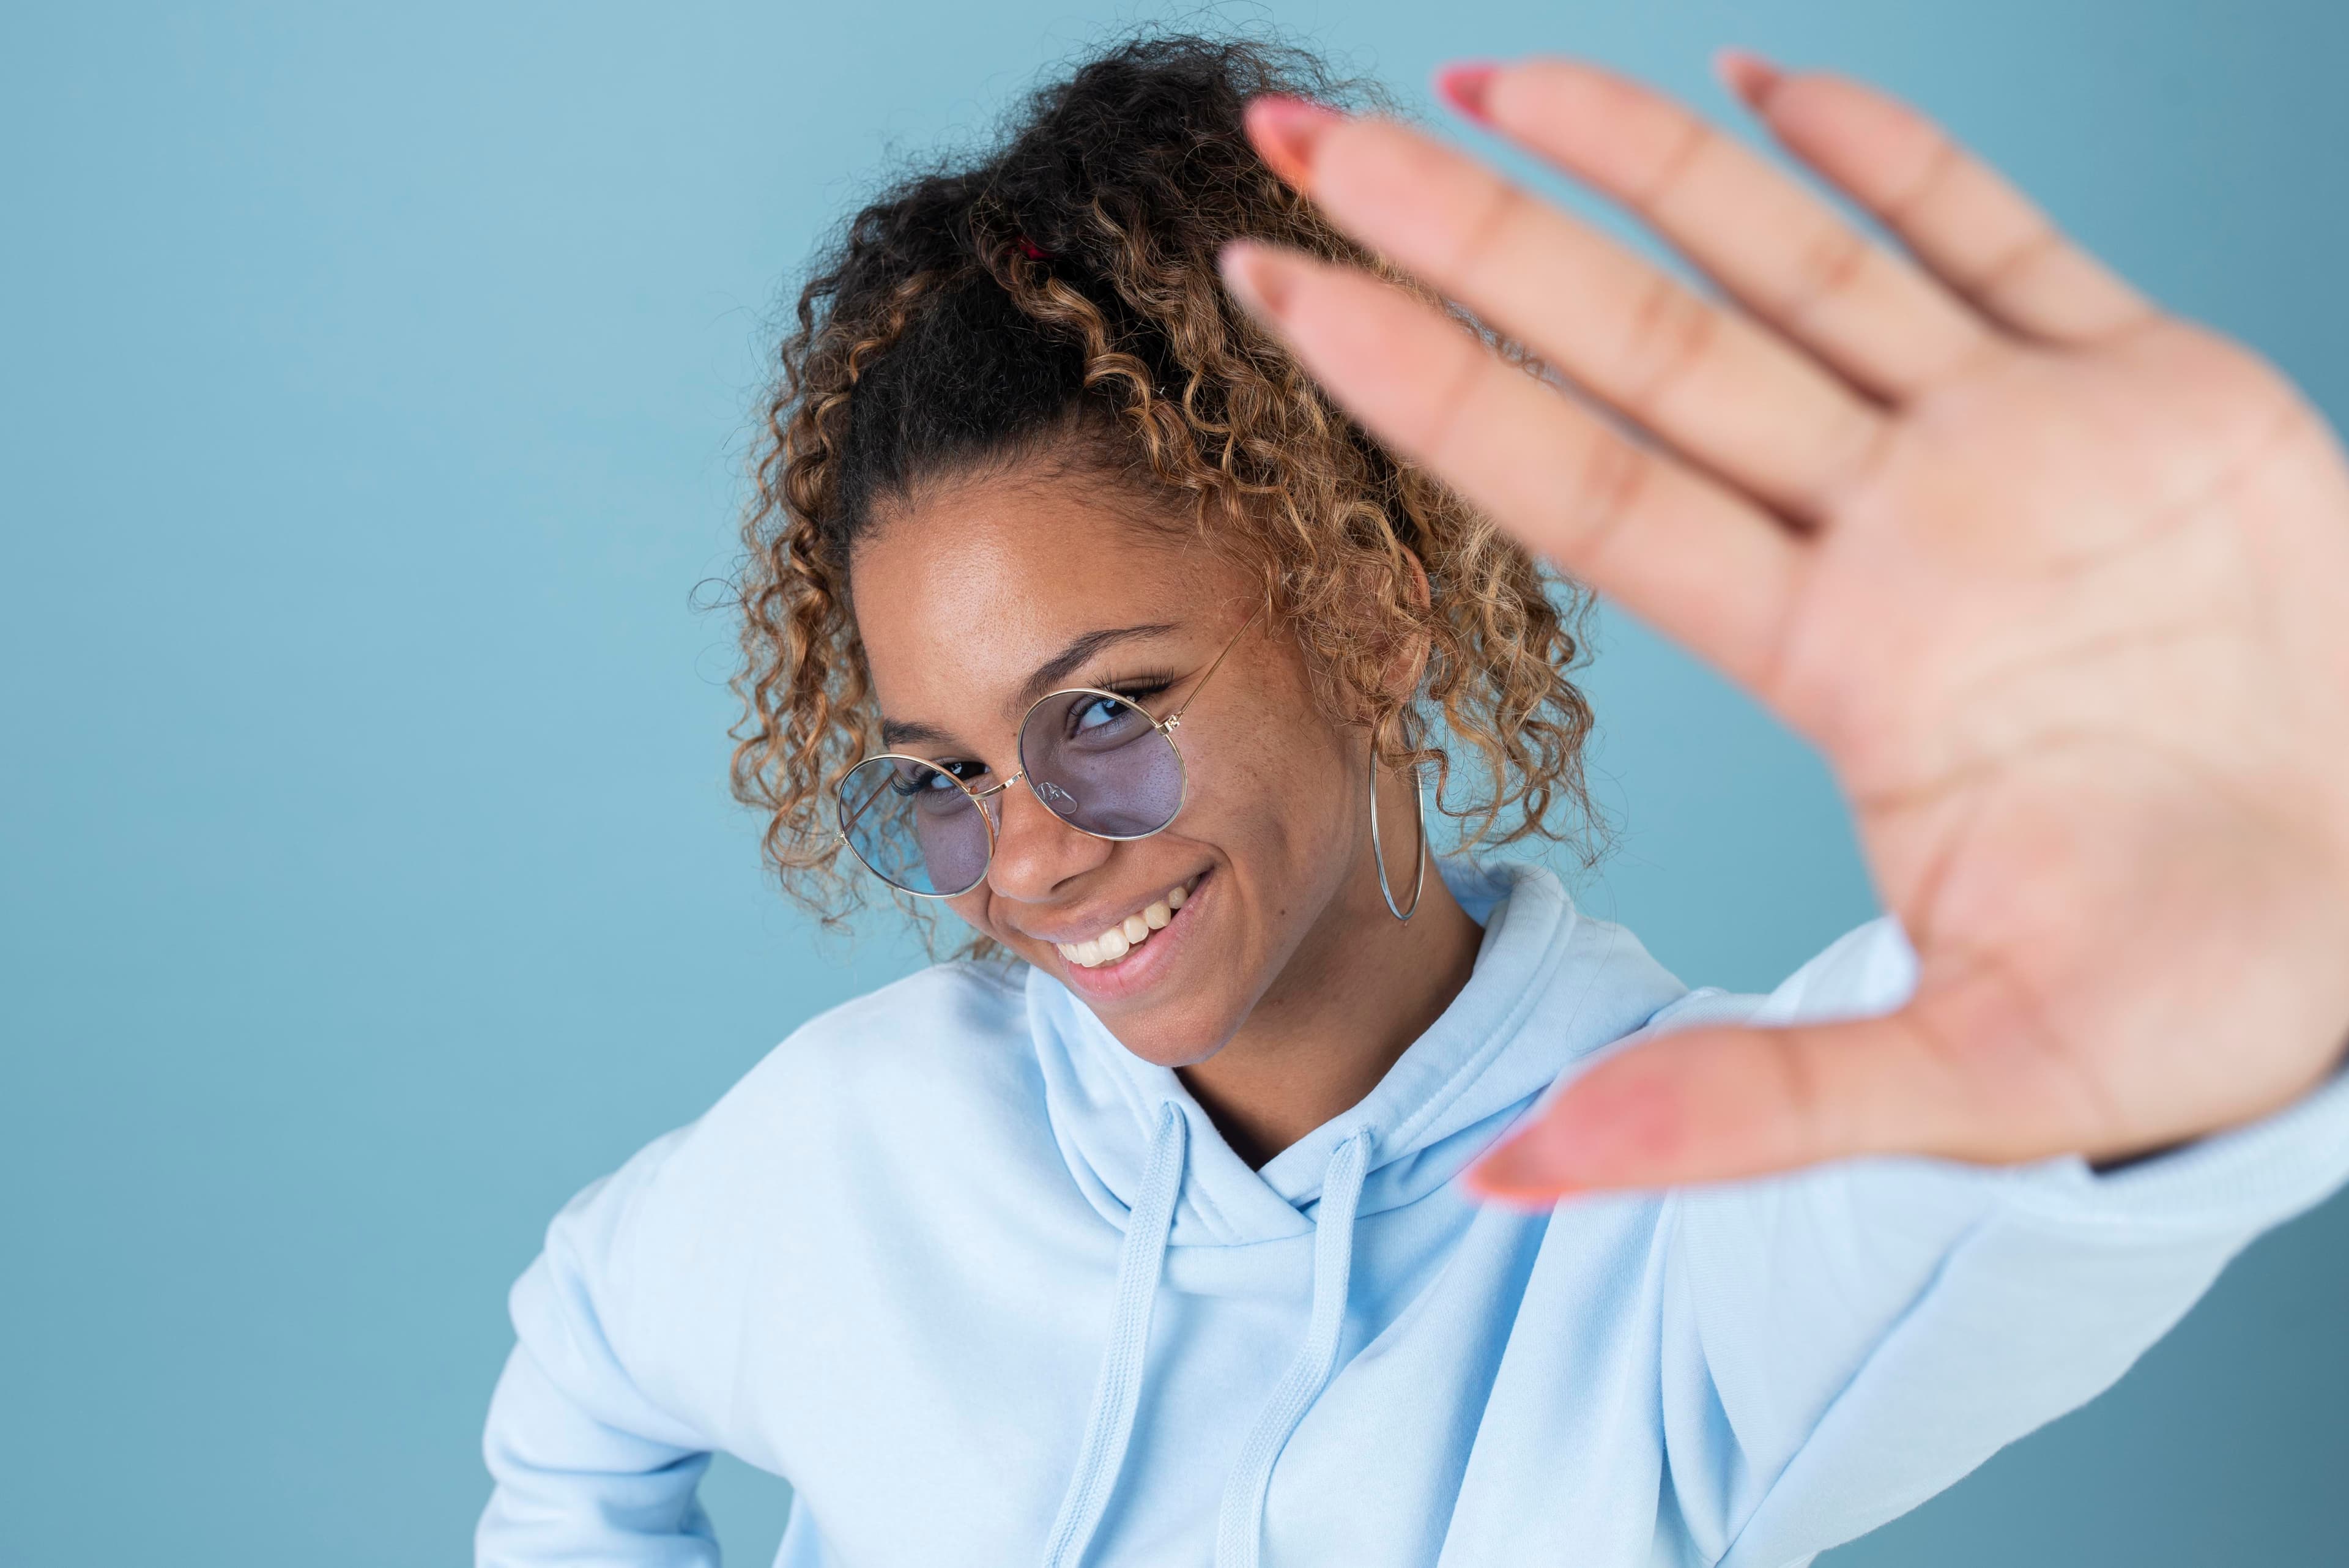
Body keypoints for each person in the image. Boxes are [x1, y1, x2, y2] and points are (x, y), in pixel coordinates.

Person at [475, 32, 2349, 1568]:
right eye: (942, 781)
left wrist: (2213, 912)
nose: (1028, 857)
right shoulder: (863, 1139)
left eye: (1106, 709)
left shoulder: (1670, 1203)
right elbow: (584, 1366)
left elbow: (2030, 1105)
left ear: (1367, 618)